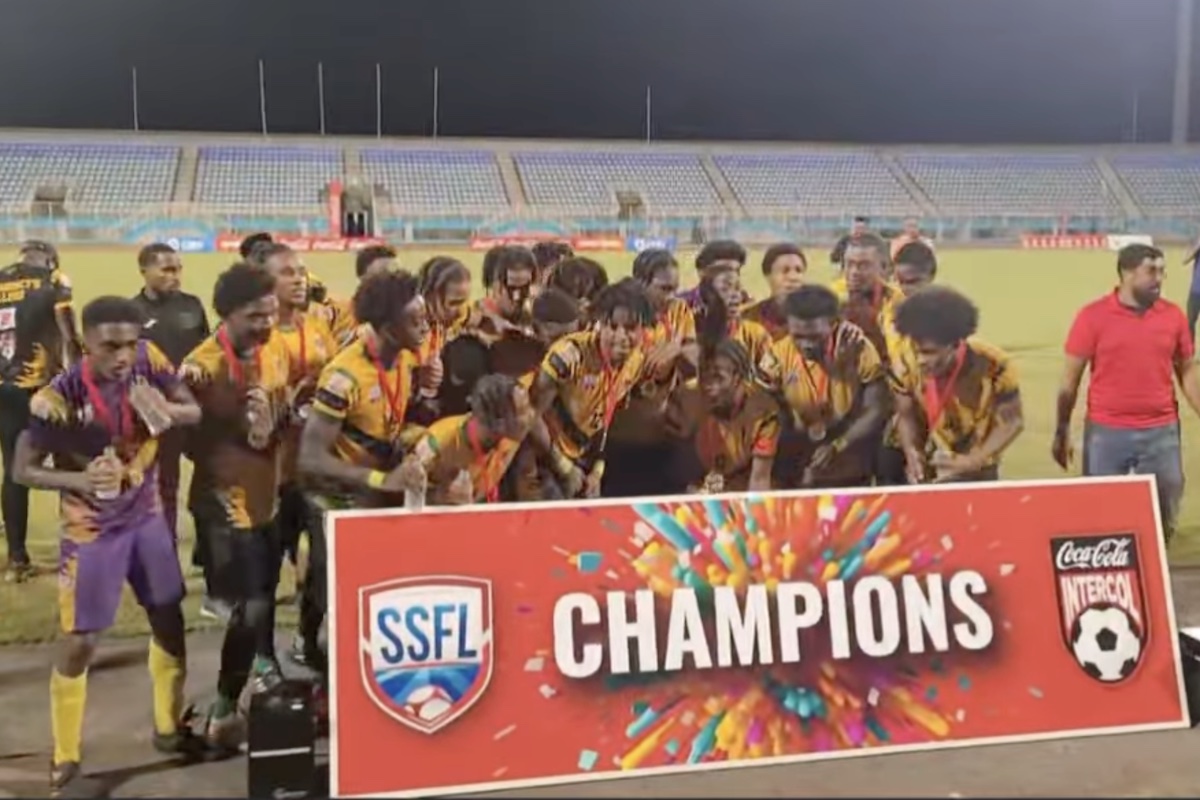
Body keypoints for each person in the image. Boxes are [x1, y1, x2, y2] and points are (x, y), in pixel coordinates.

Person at [12, 296, 204, 794]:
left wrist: (169, 410)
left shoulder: (150, 360)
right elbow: (21, 469)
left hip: (146, 517)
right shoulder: (57, 397)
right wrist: (78, 477)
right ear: (87, 344)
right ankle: (66, 756)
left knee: (168, 615)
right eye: (109, 346)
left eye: (129, 343)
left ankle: (167, 727)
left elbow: (192, 409)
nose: (123, 356)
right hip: (92, 529)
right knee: (81, 642)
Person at [295, 270, 431, 677]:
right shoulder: (344, 376)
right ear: (388, 326)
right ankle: (314, 656)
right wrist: (380, 481)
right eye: (416, 321)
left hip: (373, 498)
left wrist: (418, 439)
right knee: (333, 593)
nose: (425, 327)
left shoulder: (405, 358)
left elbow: (385, 426)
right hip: (336, 501)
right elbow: (311, 458)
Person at [180, 263, 293, 746]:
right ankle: (224, 711)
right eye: (254, 316)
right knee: (249, 608)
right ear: (225, 314)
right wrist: (234, 430)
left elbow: (283, 410)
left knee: (262, 599)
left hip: (267, 494)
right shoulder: (203, 365)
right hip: (225, 501)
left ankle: (255, 673)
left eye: (270, 313)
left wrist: (276, 423)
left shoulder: (278, 349)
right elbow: (185, 441)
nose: (266, 323)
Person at [1055, 243, 1200, 542]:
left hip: (1161, 430)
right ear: (1127, 273)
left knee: (1166, 503)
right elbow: (1069, 381)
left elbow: (1186, 371)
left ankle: (1158, 564)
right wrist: (1062, 431)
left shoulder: (1173, 317)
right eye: (1151, 271)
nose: (1159, 278)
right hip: (1106, 431)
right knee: (1100, 512)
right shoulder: (1092, 317)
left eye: (1162, 271)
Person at [251, 243, 338, 663]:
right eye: (287, 272)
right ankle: (264, 661)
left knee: (324, 571)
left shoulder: (319, 327)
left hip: (317, 473)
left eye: (301, 271)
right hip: (270, 475)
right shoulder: (253, 337)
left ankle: (307, 640)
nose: (299, 278)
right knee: (264, 577)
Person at [530, 279, 654, 499]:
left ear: (644, 329)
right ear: (599, 323)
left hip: (583, 461)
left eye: (631, 328)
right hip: (543, 459)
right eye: (613, 326)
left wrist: (597, 472)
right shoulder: (569, 356)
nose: (621, 337)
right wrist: (564, 468)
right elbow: (531, 416)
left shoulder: (636, 362)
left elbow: (607, 421)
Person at [890, 286, 1022, 484]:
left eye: (929, 352)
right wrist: (912, 452)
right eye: (917, 351)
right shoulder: (904, 361)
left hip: (981, 465)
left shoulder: (993, 364)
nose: (920, 360)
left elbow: (1012, 421)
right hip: (930, 461)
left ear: (955, 344)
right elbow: (905, 413)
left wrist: (973, 461)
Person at [0, 245, 76, 582]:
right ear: (49, 260)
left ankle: (17, 559)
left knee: (13, 471)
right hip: (42, 389)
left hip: (3, 389)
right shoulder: (54, 279)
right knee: (68, 463)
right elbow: (69, 336)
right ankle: (75, 549)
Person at [130, 242, 210, 543]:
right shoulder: (131, 313)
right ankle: (166, 550)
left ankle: (208, 546)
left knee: (210, 479)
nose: (175, 276)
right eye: (166, 269)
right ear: (144, 271)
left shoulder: (192, 305)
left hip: (198, 409)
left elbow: (207, 350)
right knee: (166, 485)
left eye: (177, 269)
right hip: (158, 414)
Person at [772, 285, 889, 488]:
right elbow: (766, 405)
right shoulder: (778, 353)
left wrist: (838, 445)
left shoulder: (859, 348)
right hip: (799, 441)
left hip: (848, 442)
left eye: (815, 336)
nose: (806, 345)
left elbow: (876, 410)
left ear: (834, 323)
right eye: (797, 336)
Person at [603, 249, 697, 497]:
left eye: (675, 288)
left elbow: (693, 356)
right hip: (622, 438)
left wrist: (677, 349)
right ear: (640, 283)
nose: (672, 296)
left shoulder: (679, 311)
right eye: (664, 288)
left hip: (664, 436)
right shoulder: (620, 317)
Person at [665, 338, 780, 494]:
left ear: (738, 377)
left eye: (718, 377)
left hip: (742, 484)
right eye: (704, 377)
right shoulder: (687, 397)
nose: (708, 386)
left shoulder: (764, 414)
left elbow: (759, 482)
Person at [412, 373, 533, 504]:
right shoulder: (438, 444)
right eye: (522, 411)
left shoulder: (511, 434)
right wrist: (438, 497)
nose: (531, 414)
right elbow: (398, 494)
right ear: (499, 424)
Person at [875, 241, 939, 484]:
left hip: (941, 425)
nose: (906, 288)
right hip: (901, 419)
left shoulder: (949, 317)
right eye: (901, 281)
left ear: (931, 275)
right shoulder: (889, 312)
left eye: (914, 281)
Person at [696, 264, 779, 387]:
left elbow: (773, 376)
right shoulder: (692, 333)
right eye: (725, 289)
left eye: (738, 289)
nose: (735, 295)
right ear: (706, 297)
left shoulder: (755, 333)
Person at [830, 231, 903, 363]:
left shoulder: (898, 303)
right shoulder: (831, 300)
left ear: (884, 268)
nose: (854, 272)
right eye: (849, 264)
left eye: (863, 265)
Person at [742, 243, 807, 341]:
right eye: (785, 271)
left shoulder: (819, 321)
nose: (793, 277)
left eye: (798, 270)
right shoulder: (749, 318)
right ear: (768, 276)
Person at [678, 240, 749, 314]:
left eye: (736, 270)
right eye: (722, 270)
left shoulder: (747, 305)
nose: (730, 276)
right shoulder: (680, 306)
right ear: (701, 272)